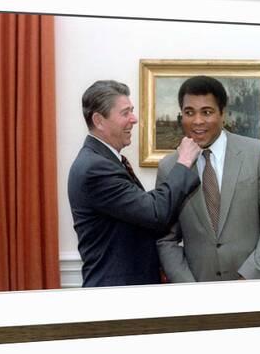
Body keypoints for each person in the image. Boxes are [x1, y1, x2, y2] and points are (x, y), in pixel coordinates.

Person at [68, 80, 201, 287]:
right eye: (125, 113)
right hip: (117, 294)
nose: (134, 119)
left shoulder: (105, 160)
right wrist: (183, 162)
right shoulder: (95, 168)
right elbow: (155, 213)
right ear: (99, 120)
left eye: (132, 111)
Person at [156, 76, 260, 282]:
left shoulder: (256, 154)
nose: (198, 121)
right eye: (189, 112)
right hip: (197, 291)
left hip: (254, 286)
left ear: (222, 114)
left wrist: (249, 275)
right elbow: (166, 239)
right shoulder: (170, 167)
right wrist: (187, 286)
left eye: (207, 112)